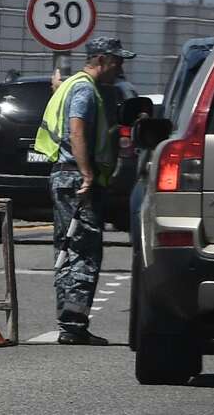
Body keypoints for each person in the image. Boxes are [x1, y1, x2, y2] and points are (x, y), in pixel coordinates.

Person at [31, 35, 135, 344]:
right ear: (101, 60)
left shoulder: (72, 85)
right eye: (116, 62)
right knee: (82, 251)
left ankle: (71, 321)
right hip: (77, 179)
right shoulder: (84, 90)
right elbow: (76, 128)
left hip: (65, 177)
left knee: (69, 247)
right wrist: (88, 174)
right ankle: (73, 325)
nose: (120, 68)